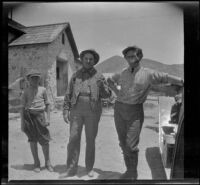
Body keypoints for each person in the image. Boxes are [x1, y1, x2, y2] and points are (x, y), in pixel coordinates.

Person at [107, 46, 184, 179]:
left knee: (131, 145)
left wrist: (181, 81)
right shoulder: (122, 73)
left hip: (135, 111)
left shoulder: (148, 74)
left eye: (135, 55)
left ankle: (133, 173)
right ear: (125, 58)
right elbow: (110, 80)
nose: (132, 58)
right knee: (122, 143)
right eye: (129, 56)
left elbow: (165, 77)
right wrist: (116, 91)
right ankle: (129, 171)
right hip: (119, 109)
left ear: (140, 57)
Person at [60, 49, 112, 178]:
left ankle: (89, 168)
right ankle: (71, 169)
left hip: (93, 111)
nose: (88, 61)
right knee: (73, 139)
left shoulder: (99, 76)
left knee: (90, 140)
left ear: (94, 61)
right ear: (82, 60)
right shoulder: (75, 75)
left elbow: (107, 95)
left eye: (91, 59)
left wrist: (103, 87)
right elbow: (68, 93)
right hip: (76, 110)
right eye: (86, 58)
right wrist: (66, 110)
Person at [20, 69, 54, 173]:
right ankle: (36, 163)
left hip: (40, 116)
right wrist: (22, 123)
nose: (35, 80)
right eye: (32, 78)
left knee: (45, 140)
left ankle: (48, 162)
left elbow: (48, 104)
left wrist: (48, 118)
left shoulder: (43, 89)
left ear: (39, 79)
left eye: (37, 78)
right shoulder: (25, 91)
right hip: (29, 117)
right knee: (32, 140)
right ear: (28, 80)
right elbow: (22, 108)